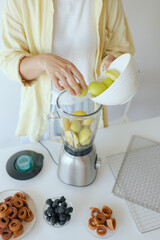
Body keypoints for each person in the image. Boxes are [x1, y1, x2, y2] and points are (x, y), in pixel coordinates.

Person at [0, 0, 135, 142]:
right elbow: (8, 61)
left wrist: (111, 62)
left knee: (88, 160)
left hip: (90, 106)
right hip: (42, 111)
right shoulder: (19, 2)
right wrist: (42, 61)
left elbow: (119, 48)